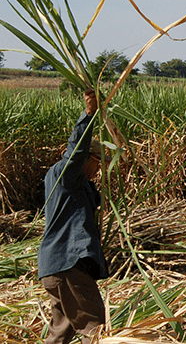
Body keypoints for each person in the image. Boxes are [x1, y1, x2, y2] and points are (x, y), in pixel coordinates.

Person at [38, 89, 110, 344]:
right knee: (95, 327)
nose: (98, 168)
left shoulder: (79, 188)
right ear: (85, 160)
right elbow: (75, 152)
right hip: (67, 265)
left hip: (57, 268)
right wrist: (89, 115)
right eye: (97, 162)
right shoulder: (65, 176)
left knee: (60, 333)